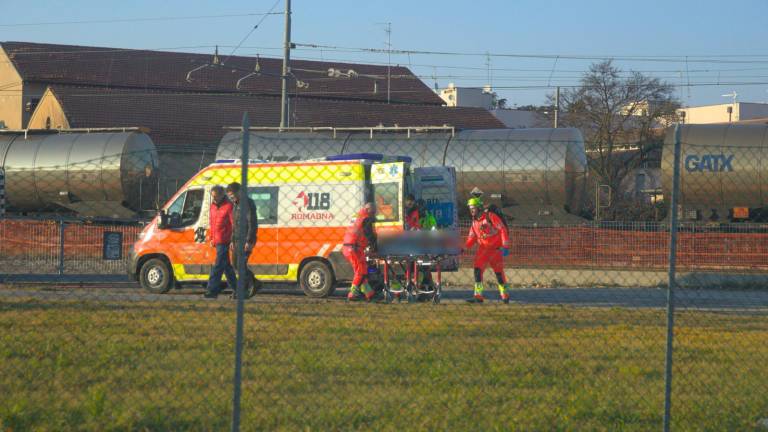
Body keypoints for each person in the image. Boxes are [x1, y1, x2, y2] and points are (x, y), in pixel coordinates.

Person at [465, 197, 511, 304]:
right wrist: (463, 248)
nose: (472, 210)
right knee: (477, 271)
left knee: (499, 274)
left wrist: (505, 245)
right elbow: (471, 238)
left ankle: (505, 295)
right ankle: (478, 295)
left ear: (479, 208)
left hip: (495, 250)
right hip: (483, 250)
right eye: (470, 208)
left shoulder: (490, 216)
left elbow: (502, 229)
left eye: (474, 208)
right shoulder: (474, 222)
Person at [203, 186, 238, 299]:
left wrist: (233, 239)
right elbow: (212, 223)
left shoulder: (229, 206)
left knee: (218, 265)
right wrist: (212, 237)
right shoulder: (213, 207)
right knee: (226, 267)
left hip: (225, 240)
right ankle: (238, 289)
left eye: (215, 196)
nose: (213, 198)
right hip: (217, 240)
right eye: (212, 195)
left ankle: (211, 289)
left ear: (221, 195)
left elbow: (234, 225)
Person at [226, 182, 259, 298]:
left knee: (240, 265)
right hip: (236, 240)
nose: (231, 198)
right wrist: (231, 240)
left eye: (232, 195)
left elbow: (252, 223)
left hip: (246, 239)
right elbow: (234, 225)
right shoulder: (235, 205)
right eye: (229, 196)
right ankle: (254, 283)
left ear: (239, 192)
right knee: (235, 265)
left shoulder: (248, 203)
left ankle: (244, 290)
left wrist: (249, 241)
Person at [342, 202, 378, 302]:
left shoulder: (358, 215)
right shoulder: (365, 218)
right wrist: (374, 246)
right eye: (373, 212)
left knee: (363, 270)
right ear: (368, 210)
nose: (374, 214)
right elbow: (369, 235)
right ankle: (352, 294)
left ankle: (369, 293)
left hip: (352, 247)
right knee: (360, 271)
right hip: (353, 247)